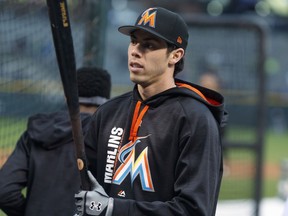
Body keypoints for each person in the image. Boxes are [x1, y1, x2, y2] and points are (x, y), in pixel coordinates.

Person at [75, 7, 228, 216]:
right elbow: (84, 190)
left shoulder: (195, 119)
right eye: (133, 41)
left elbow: (194, 210)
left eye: (148, 45)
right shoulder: (107, 113)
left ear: (175, 55)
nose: (135, 51)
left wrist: (114, 208)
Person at [0, 67, 111, 216]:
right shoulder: (111, 136)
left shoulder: (35, 132)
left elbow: (5, 191)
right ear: (109, 101)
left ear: (67, 96)